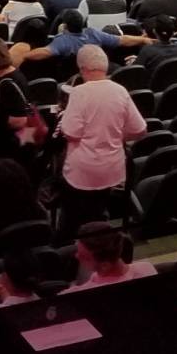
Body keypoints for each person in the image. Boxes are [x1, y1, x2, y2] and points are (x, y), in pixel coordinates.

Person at [55, 44, 145, 230]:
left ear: (82, 69)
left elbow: (71, 132)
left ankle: (74, 247)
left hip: (82, 171)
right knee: (98, 208)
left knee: (72, 217)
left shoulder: (80, 93)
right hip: (111, 168)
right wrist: (117, 136)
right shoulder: (120, 90)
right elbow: (139, 129)